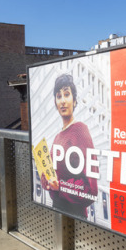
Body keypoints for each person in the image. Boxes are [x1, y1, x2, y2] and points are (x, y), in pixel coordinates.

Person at [41, 74, 98, 218]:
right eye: (58, 96)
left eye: (67, 94)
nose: (63, 101)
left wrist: (60, 186)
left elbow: (91, 190)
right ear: (55, 102)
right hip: (57, 208)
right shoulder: (57, 137)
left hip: (74, 213)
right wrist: (46, 178)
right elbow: (51, 175)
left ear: (74, 100)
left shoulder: (80, 130)